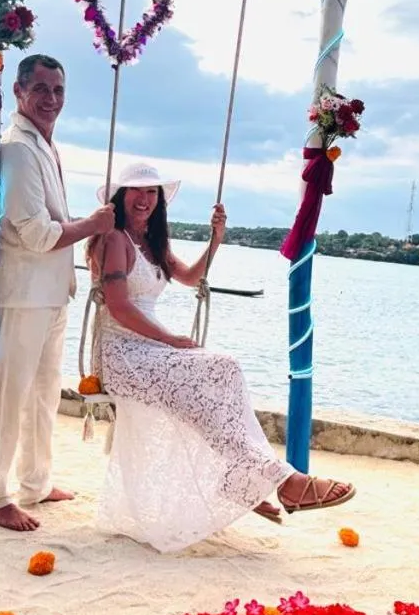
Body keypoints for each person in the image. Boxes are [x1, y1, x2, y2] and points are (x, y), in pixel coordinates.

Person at [87, 161, 355, 553]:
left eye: (151, 192)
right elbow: (119, 306)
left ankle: (249, 476)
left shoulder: (150, 241)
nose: (144, 199)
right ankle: (280, 481)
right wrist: (172, 339)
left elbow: (191, 277)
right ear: (120, 196)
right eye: (136, 191)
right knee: (216, 370)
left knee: (225, 371)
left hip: (148, 347)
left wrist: (215, 240)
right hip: (121, 353)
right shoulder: (114, 239)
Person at [0, 54, 114, 532]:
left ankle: (34, 482)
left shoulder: (45, 146)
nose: (51, 99)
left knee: (42, 396)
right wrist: (92, 225)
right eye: (40, 89)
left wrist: (88, 233)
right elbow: (35, 233)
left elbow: (52, 224)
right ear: (18, 91)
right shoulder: (16, 147)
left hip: (53, 291)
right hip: (22, 293)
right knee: (7, 396)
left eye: (58, 89)